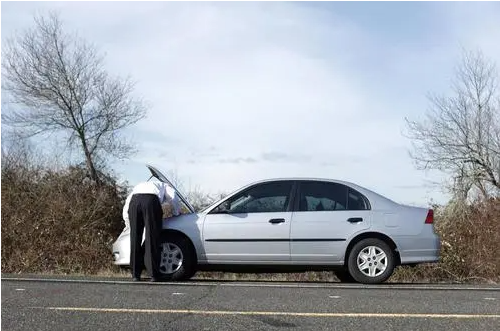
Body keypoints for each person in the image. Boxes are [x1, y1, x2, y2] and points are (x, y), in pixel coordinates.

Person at [122, 180, 181, 282]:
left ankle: (135, 274)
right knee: (152, 238)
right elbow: (173, 197)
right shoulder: (164, 185)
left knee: (135, 238)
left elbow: (128, 202)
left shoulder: (139, 185)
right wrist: (176, 212)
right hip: (150, 201)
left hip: (134, 202)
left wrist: (127, 221)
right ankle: (153, 274)